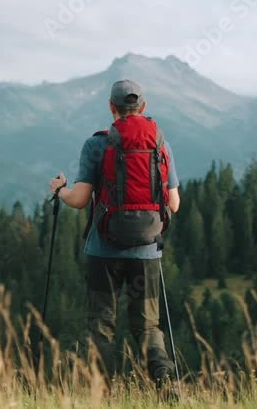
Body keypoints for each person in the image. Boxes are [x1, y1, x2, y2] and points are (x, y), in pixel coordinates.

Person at [49, 79, 181, 387]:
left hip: (103, 251)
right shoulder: (160, 143)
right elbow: (173, 204)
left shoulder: (97, 144)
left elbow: (81, 200)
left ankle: (102, 393)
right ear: (143, 108)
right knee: (148, 326)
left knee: (101, 325)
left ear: (112, 108)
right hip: (147, 251)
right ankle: (166, 383)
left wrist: (60, 190)